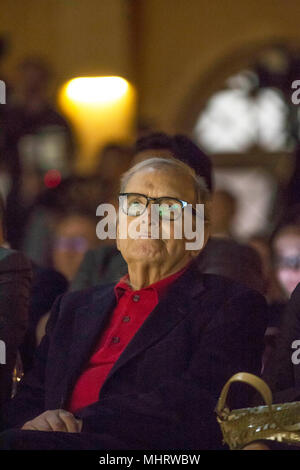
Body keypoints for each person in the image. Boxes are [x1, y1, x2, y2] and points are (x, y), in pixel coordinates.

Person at [0, 157, 268, 450]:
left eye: (168, 207)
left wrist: (77, 421)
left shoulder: (231, 305)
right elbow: (31, 395)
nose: (148, 219)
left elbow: (201, 402)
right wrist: (32, 424)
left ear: (199, 235)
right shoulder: (74, 307)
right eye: (136, 204)